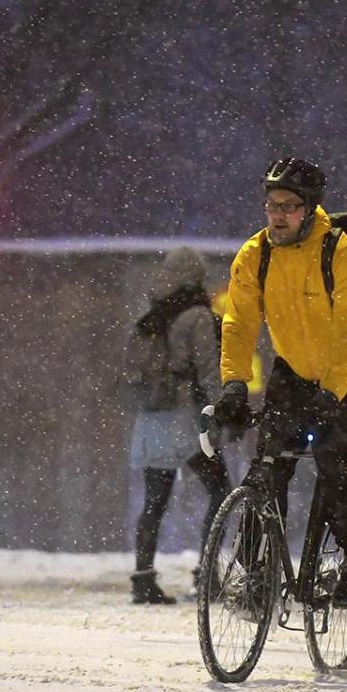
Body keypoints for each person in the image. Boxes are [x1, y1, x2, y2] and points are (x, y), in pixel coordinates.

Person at [215, 158, 347, 608]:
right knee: (268, 464)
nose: (278, 214)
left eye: (289, 206)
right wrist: (235, 385)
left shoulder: (341, 252)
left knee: (331, 452)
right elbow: (238, 322)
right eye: (271, 204)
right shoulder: (256, 255)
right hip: (295, 369)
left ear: (310, 209)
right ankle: (255, 575)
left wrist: (331, 395)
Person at [124, 247, 232, 605]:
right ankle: (206, 574)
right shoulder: (198, 315)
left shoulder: (153, 311)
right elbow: (207, 370)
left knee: (155, 500)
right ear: (197, 276)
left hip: (153, 415)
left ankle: (143, 578)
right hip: (185, 418)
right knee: (221, 489)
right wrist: (220, 409)